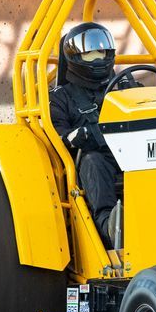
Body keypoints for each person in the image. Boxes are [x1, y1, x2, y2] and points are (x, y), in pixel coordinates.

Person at [49, 22, 136, 248]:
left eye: (101, 52)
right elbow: (56, 136)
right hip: (94, 159)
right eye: (90, 54)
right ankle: (110, 225)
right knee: (93, 161)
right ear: (75, 57)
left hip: (133, 154)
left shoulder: (128, 87)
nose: (98, 59)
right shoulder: (61, 97)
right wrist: (71, 137)